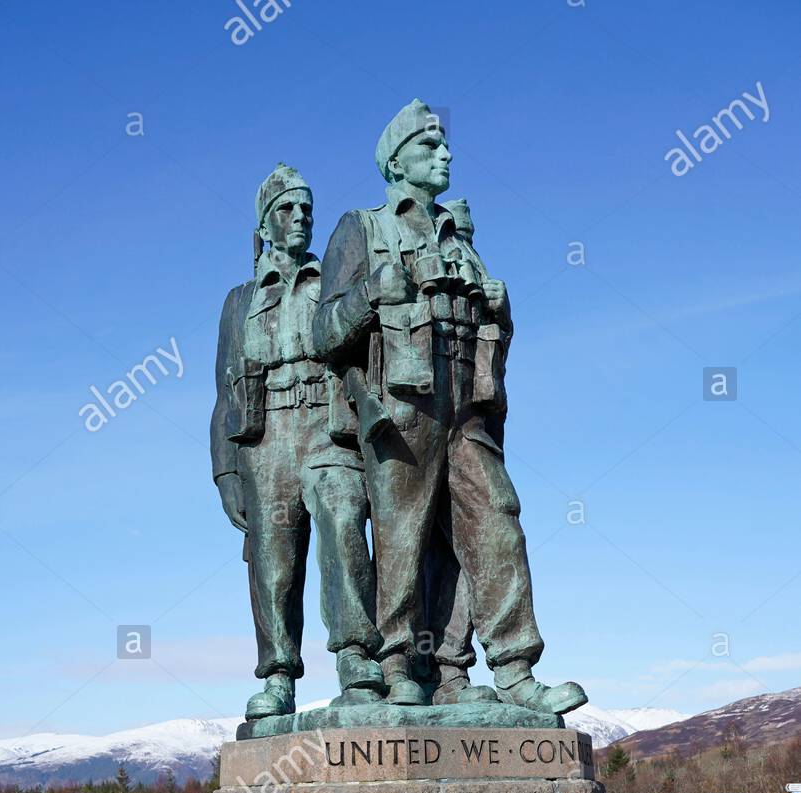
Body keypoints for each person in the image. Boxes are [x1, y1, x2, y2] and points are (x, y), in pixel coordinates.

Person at [313, 102, 586, 716]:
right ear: (396, 159)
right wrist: (367, 294)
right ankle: (398, 663)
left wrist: (500, 306)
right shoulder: (362, 227)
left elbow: (491, 331)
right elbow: (323, 331)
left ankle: (515, 669)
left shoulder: (459, 237)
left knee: (497, 516)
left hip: (468, 405)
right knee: (401, 535)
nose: (447, 155)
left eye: (445, 145)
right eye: (431, 145)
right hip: (404, 406)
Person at [211, 164, 383, 719]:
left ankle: (357, 658)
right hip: (265, 441)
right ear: (265, 222)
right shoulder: (238, 302)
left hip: (327, 427)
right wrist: (227, 472)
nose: (301, 218)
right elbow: (222, 393)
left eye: (307, 209)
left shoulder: (332, 277)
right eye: (288, 209)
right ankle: (279, 675)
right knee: (273, 562)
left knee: (343, 526)